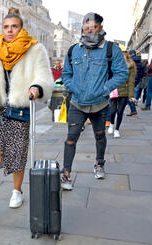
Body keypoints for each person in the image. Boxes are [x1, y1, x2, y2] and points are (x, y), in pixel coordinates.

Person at [0, 8, 54, 223]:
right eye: (6, 27)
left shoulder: (35, 49)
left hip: (19, 109)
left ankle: (17, 191)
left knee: (16, 156)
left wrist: (36, 88)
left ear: (21, 28)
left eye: (14, 26)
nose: (10, 30)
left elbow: (44, 76)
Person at [60, 13, 128, 191]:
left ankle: (99, 163)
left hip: (100, 104)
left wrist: (104, 89)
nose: (89, 31)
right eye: (86, 28)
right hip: (77, 103)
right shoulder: (73, 49)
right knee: (70, 139)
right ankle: (66, 174)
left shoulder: (111, 49)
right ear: (82, 28)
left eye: (93, 28)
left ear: (101, 28)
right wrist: (72, 86)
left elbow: (122, 74)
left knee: (100, 136)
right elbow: (66, 74)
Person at [108, 51, 136, 138]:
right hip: (114, 90)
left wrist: (131, 95)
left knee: (120, 112)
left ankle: (117, 130)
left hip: (124, 92)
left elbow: (131, 82)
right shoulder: (113, 65)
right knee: (112, 111)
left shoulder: (131, 67)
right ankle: (111, 124)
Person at [127, 50, 145, 116]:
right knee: (131, 95)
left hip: (130, 80)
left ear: (131, 54)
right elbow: (144, 72)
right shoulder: (141, 62)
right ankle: (133, 109)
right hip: (138, 80)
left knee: (128, 95)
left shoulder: (130, 61)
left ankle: (133, 109)